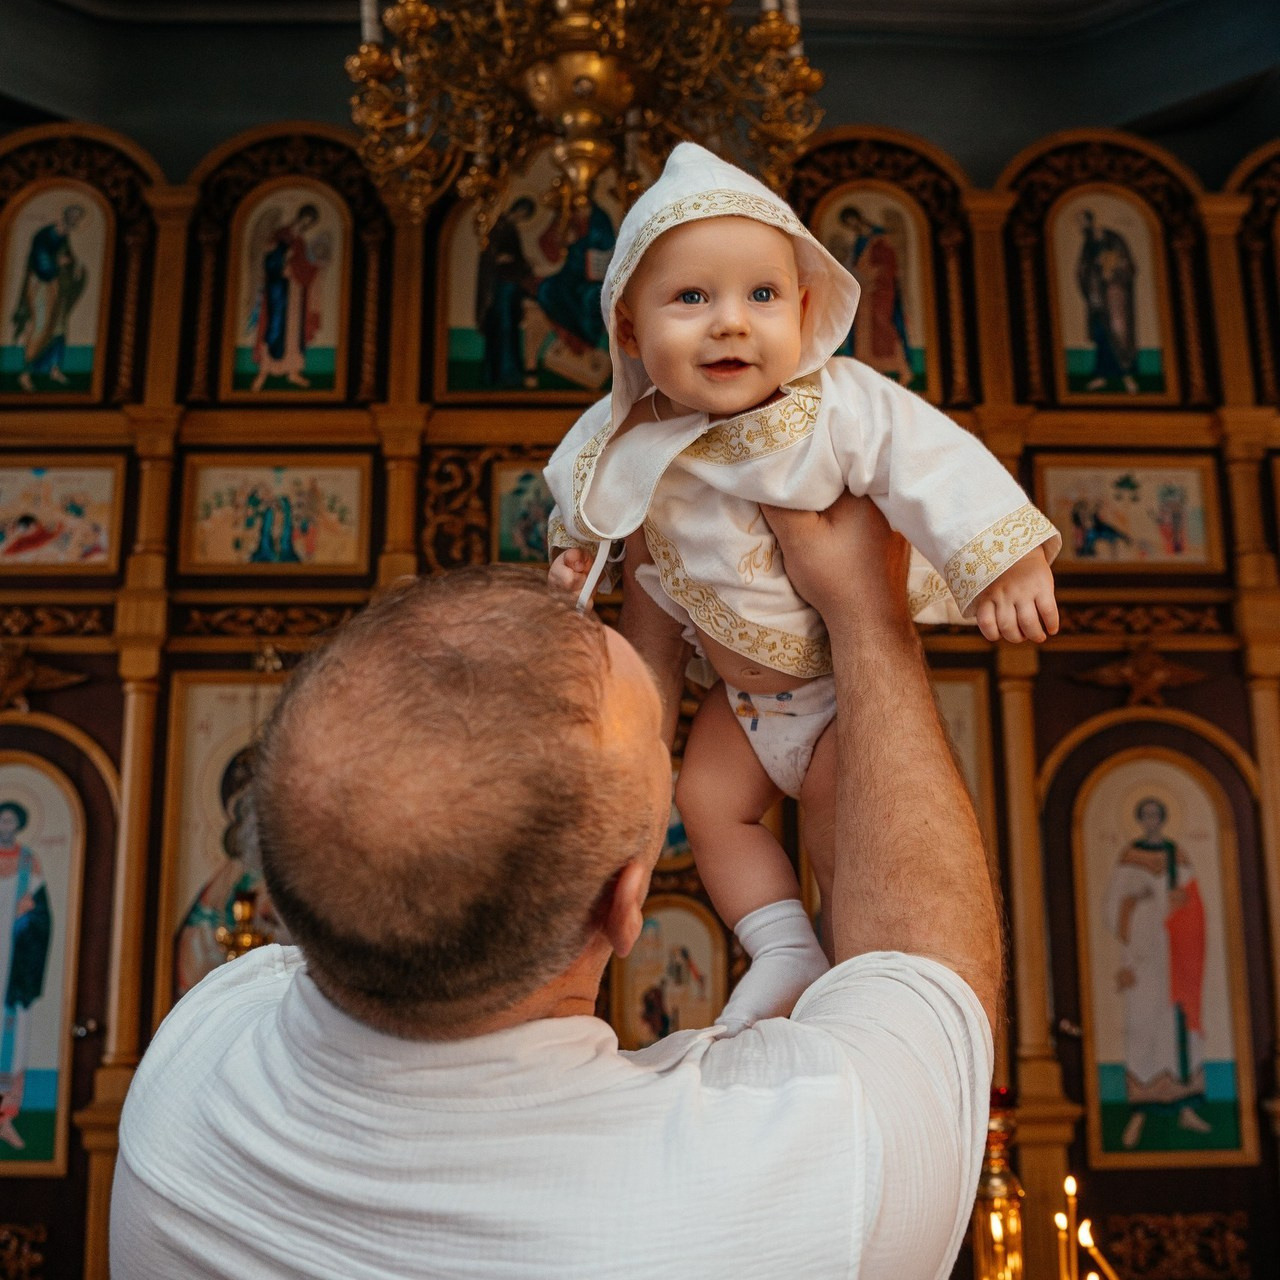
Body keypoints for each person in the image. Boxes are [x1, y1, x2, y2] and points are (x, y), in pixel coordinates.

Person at [111, 495, 1000, 1279]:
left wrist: (637, 616)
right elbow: (928, 976)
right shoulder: (798, 1184)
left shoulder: (193, 1063)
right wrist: (869, 617)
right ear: (625, 903)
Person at [544, 142, 1058, 1030]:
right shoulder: (623, 430)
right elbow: (585, 500)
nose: (729, 324)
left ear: (806, 308)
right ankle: (781, 945)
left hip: (833, 698)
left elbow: (933, 463)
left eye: (762, 296)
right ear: (628, 329)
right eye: (691, 298)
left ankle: (845, 970)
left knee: (845, 837)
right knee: (703, 803)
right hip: (737, 704)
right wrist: (574, 563)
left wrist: (1002, 558)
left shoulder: (839, 406)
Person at [1103, 796, 1210, 1150]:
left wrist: (1181, 905)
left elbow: (1193, 902)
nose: (1151, 820)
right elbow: (1111, 908)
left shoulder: (1178, 855)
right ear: (1139, 819)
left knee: (1177, 1027)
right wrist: (1140, 900)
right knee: (1142, 1025)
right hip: (1142, 958)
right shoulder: (1129, 857)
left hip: (1175, 956)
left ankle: (1186, 1108)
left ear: (1163, 818)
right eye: (1145, 815)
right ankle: (1139, 1111)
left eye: (1156, 815)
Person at [0, 800, 52, 1152]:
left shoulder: (28, 862)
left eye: (10, 821)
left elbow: (43, 916)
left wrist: (29, 914)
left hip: (15, 964)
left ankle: (6, 1116)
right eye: (1, 820)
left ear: (18, 824)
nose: (5, 826)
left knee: (14, 1036)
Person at [10, 203, 87, 393]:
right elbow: (40, 262)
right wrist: (56, 262)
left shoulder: (64, 238)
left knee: (60, 326)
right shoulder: (44, 235)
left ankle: (54, 369)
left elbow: (68, 260)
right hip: (41, 286)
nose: (75, 221)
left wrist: (74, 271)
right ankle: (26, 373)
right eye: (73, 217)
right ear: (66, 217)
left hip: (57, 287)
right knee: (42, 326)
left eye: (78, 219)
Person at [1076, 208, 1139, 394]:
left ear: (1090, 221)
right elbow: (1083, 268)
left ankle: (1127, 377)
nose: (1080, 226)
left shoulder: (1114, 239)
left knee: (1118, 336)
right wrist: (1091, 275)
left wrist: (1111, 270)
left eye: (1082, 221)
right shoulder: (1088, 243)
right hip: (1097, 299)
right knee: (1101, 335)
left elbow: (1127, 265)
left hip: (1115, 299)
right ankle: (1101, 376)